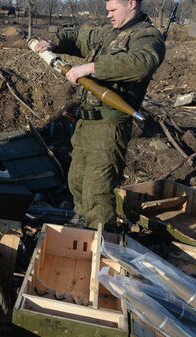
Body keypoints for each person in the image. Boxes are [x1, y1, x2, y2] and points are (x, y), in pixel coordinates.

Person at [34, 0, 165, 230]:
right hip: (86, 122)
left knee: (98, 190)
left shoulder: (147, 36)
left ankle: (100, 243)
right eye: (107, 10)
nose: (108, 15)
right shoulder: (108, 32)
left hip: (109, 125)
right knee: (76, 181)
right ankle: (81, 228)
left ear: (132, 4)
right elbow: (79, 37)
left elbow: (141, 64)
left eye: (113, 10)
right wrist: (53, 43)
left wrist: (91, 68)